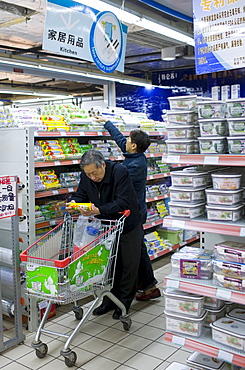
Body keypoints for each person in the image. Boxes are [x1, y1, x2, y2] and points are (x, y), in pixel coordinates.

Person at [67, 149, 142, 319]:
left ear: (103, 164)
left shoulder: (119, 172)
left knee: (127, 265)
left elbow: (123, 201)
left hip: (127, 223)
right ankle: (108, 300)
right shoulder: (87, 176)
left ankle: (123, 303)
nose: (92, 177)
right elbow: (81, 194)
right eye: (88, 174)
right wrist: (75, 203)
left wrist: (98, 210)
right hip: (105, 226)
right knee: (110, 263)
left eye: (95, 172)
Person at [95, 116, 161, 301]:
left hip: (134, 214)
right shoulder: (134, 154)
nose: (126, 141)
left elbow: (120, 189)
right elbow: (120, 140)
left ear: (134, 146)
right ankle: (148, 285)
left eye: (130, 140)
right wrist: (106, 122)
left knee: (137, 250)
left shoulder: (135, 165)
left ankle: (149, 286)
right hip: (133, 212)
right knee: (138, 249)